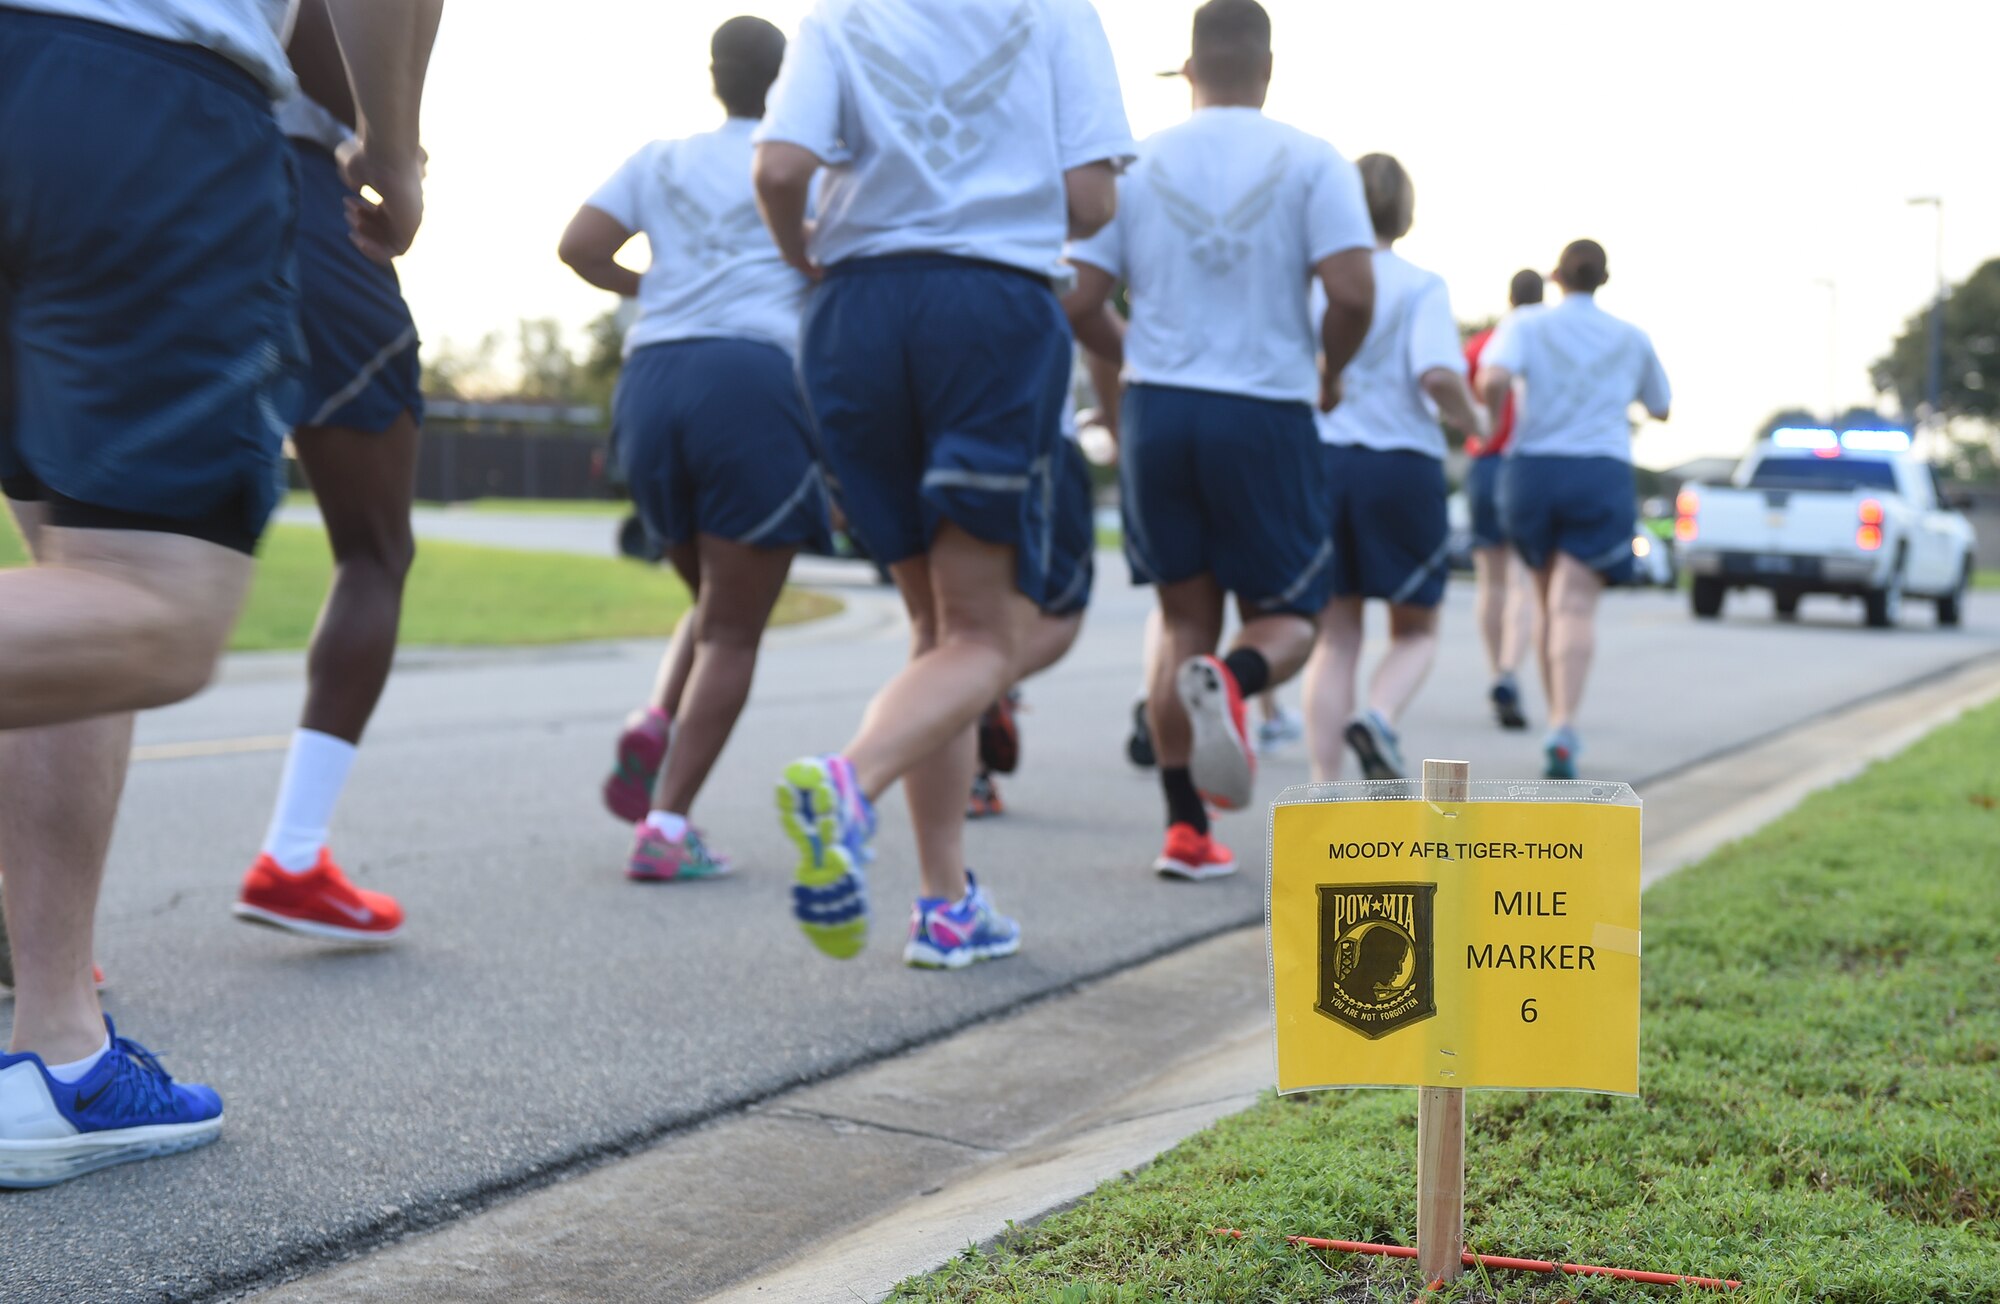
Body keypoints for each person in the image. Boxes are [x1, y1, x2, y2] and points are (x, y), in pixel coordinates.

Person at [0, 0, 433, 1189]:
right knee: (156, 612)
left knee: (80, 577)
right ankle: (292, 850)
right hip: (139, 96)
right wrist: (392, 151)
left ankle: (56, 1055)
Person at [753, 0, 1133, 968]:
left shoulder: (836, 12)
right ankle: (848, 784)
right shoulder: (1056, 12)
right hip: (986, 304)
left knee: (933, 634)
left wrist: (805, 254)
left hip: (851, 315)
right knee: (980, 634)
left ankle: (945, 902)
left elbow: (779, 168)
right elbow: (1092, 203)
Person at [1066, 0, 1373, 879]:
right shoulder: (1314, 161)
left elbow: (1080, 301)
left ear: (1189, 70)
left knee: (1180, 622)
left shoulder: (1137, 164)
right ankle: (1237, 684)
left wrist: (1147, 358)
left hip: (1160, 414)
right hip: (1264, 411)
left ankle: (1185, 831)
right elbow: (1353, 293)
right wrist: (1330, 370)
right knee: (1292, 623)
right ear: (1268, 69)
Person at [561, 16, 831, 882]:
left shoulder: (661, 156)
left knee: (713, 599)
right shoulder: (809, 171)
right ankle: (667, 829)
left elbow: (579, 247)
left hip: (653, 383)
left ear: (713, 77)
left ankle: (655, 718)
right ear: (786, 84)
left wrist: (658, 286)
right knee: (736, 631)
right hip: (750, 381)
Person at [234, 0, 443, 943]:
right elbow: (324, 36)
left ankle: (42, 907)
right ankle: (294, 851)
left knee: (101, 548)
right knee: (373, 552)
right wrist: (394, 146)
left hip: (86, 149)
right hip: (280, 183)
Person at [1301, 154, 1487, 783]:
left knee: (1336, 637)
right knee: (1415, 629)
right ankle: (1379, 718)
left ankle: (1325, 796)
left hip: (1325, 461)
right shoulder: (1419, 285)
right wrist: (1475, 418)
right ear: (1405, 212)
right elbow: (1436, 373)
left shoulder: (1315, 283)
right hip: (1401, 466)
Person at [1477, 240, 1671, 779]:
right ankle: (1563, 726)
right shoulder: (1631, 336)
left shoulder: (1527, 325)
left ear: (1557, 276)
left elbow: (1492, 377)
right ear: (1604, 279)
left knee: (1544, 601)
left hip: (1532, 471)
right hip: (1598, 471)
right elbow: (1661, 406)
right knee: (1575, 607)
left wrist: (1491, 423)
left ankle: (1554, 723)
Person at [1462, 269, 1543, 731]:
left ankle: (1496, 672)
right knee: (1522, 583)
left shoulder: (1482, 345)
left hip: (1484, 463)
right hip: (1523, 465)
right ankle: (1511, 670)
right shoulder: (1543, 341)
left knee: (1489, 581)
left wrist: (1480, 425)